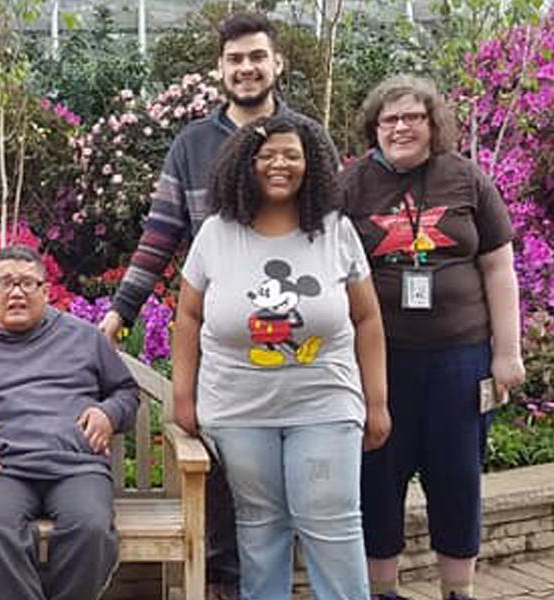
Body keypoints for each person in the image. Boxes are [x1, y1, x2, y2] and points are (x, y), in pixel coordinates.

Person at [95, 15, 337, 597]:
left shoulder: (309, 137)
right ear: (220, 70)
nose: (247, 68)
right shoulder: (191, 146)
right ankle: (229, 587)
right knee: (227, 478)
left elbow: (336, 232)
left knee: (307, 477)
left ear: (277, 64)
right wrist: (118, 313)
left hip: (302, 349)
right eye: (235, 59)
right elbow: (159, 238)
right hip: (224, 345)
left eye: (257, 56)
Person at [171, 113, 388, 600]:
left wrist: (377, 401)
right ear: (244, 166)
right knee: (259, 527)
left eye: (292, 154)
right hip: (238, 408)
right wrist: (183, 396)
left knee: (331, 520)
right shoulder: (216, 234)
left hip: (326, 403)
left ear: (311, 165)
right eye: (266, 155)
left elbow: (368, 319)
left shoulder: (334, 231)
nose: (279, 164)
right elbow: (187, 317)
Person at [340, 75, 523, 600]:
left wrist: (507, 353)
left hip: (460, 358)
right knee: (378, 472)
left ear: (433, 123)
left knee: (457, 475)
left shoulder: (466, 178)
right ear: (374, 127)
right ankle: (382, 591)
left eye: (412, 117)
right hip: (381, 360)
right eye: (390, 119)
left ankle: (457, 589)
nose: (401, 128)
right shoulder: (351, 186)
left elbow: (499, 268)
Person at [0, 246, 141, 600]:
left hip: (76, 467)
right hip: (5, 469)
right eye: (6, 283)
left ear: (45, 291)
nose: (16, 292)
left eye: (27, 282)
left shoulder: (85, 337)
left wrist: (109, 413)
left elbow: (126, 392)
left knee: (90, 528)